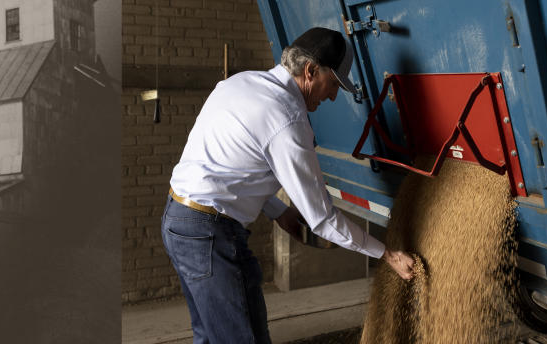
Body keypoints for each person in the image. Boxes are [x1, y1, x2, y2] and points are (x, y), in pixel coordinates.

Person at [162, 27, 415, 344]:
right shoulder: (287, 119)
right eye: (333, 84)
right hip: (209, 234)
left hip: (181, 221)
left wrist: (279, 211)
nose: (333, 95)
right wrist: (387, 254)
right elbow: (322, 219)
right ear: (310, 71)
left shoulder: (239, 83)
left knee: (211, 335)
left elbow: (233, 167)